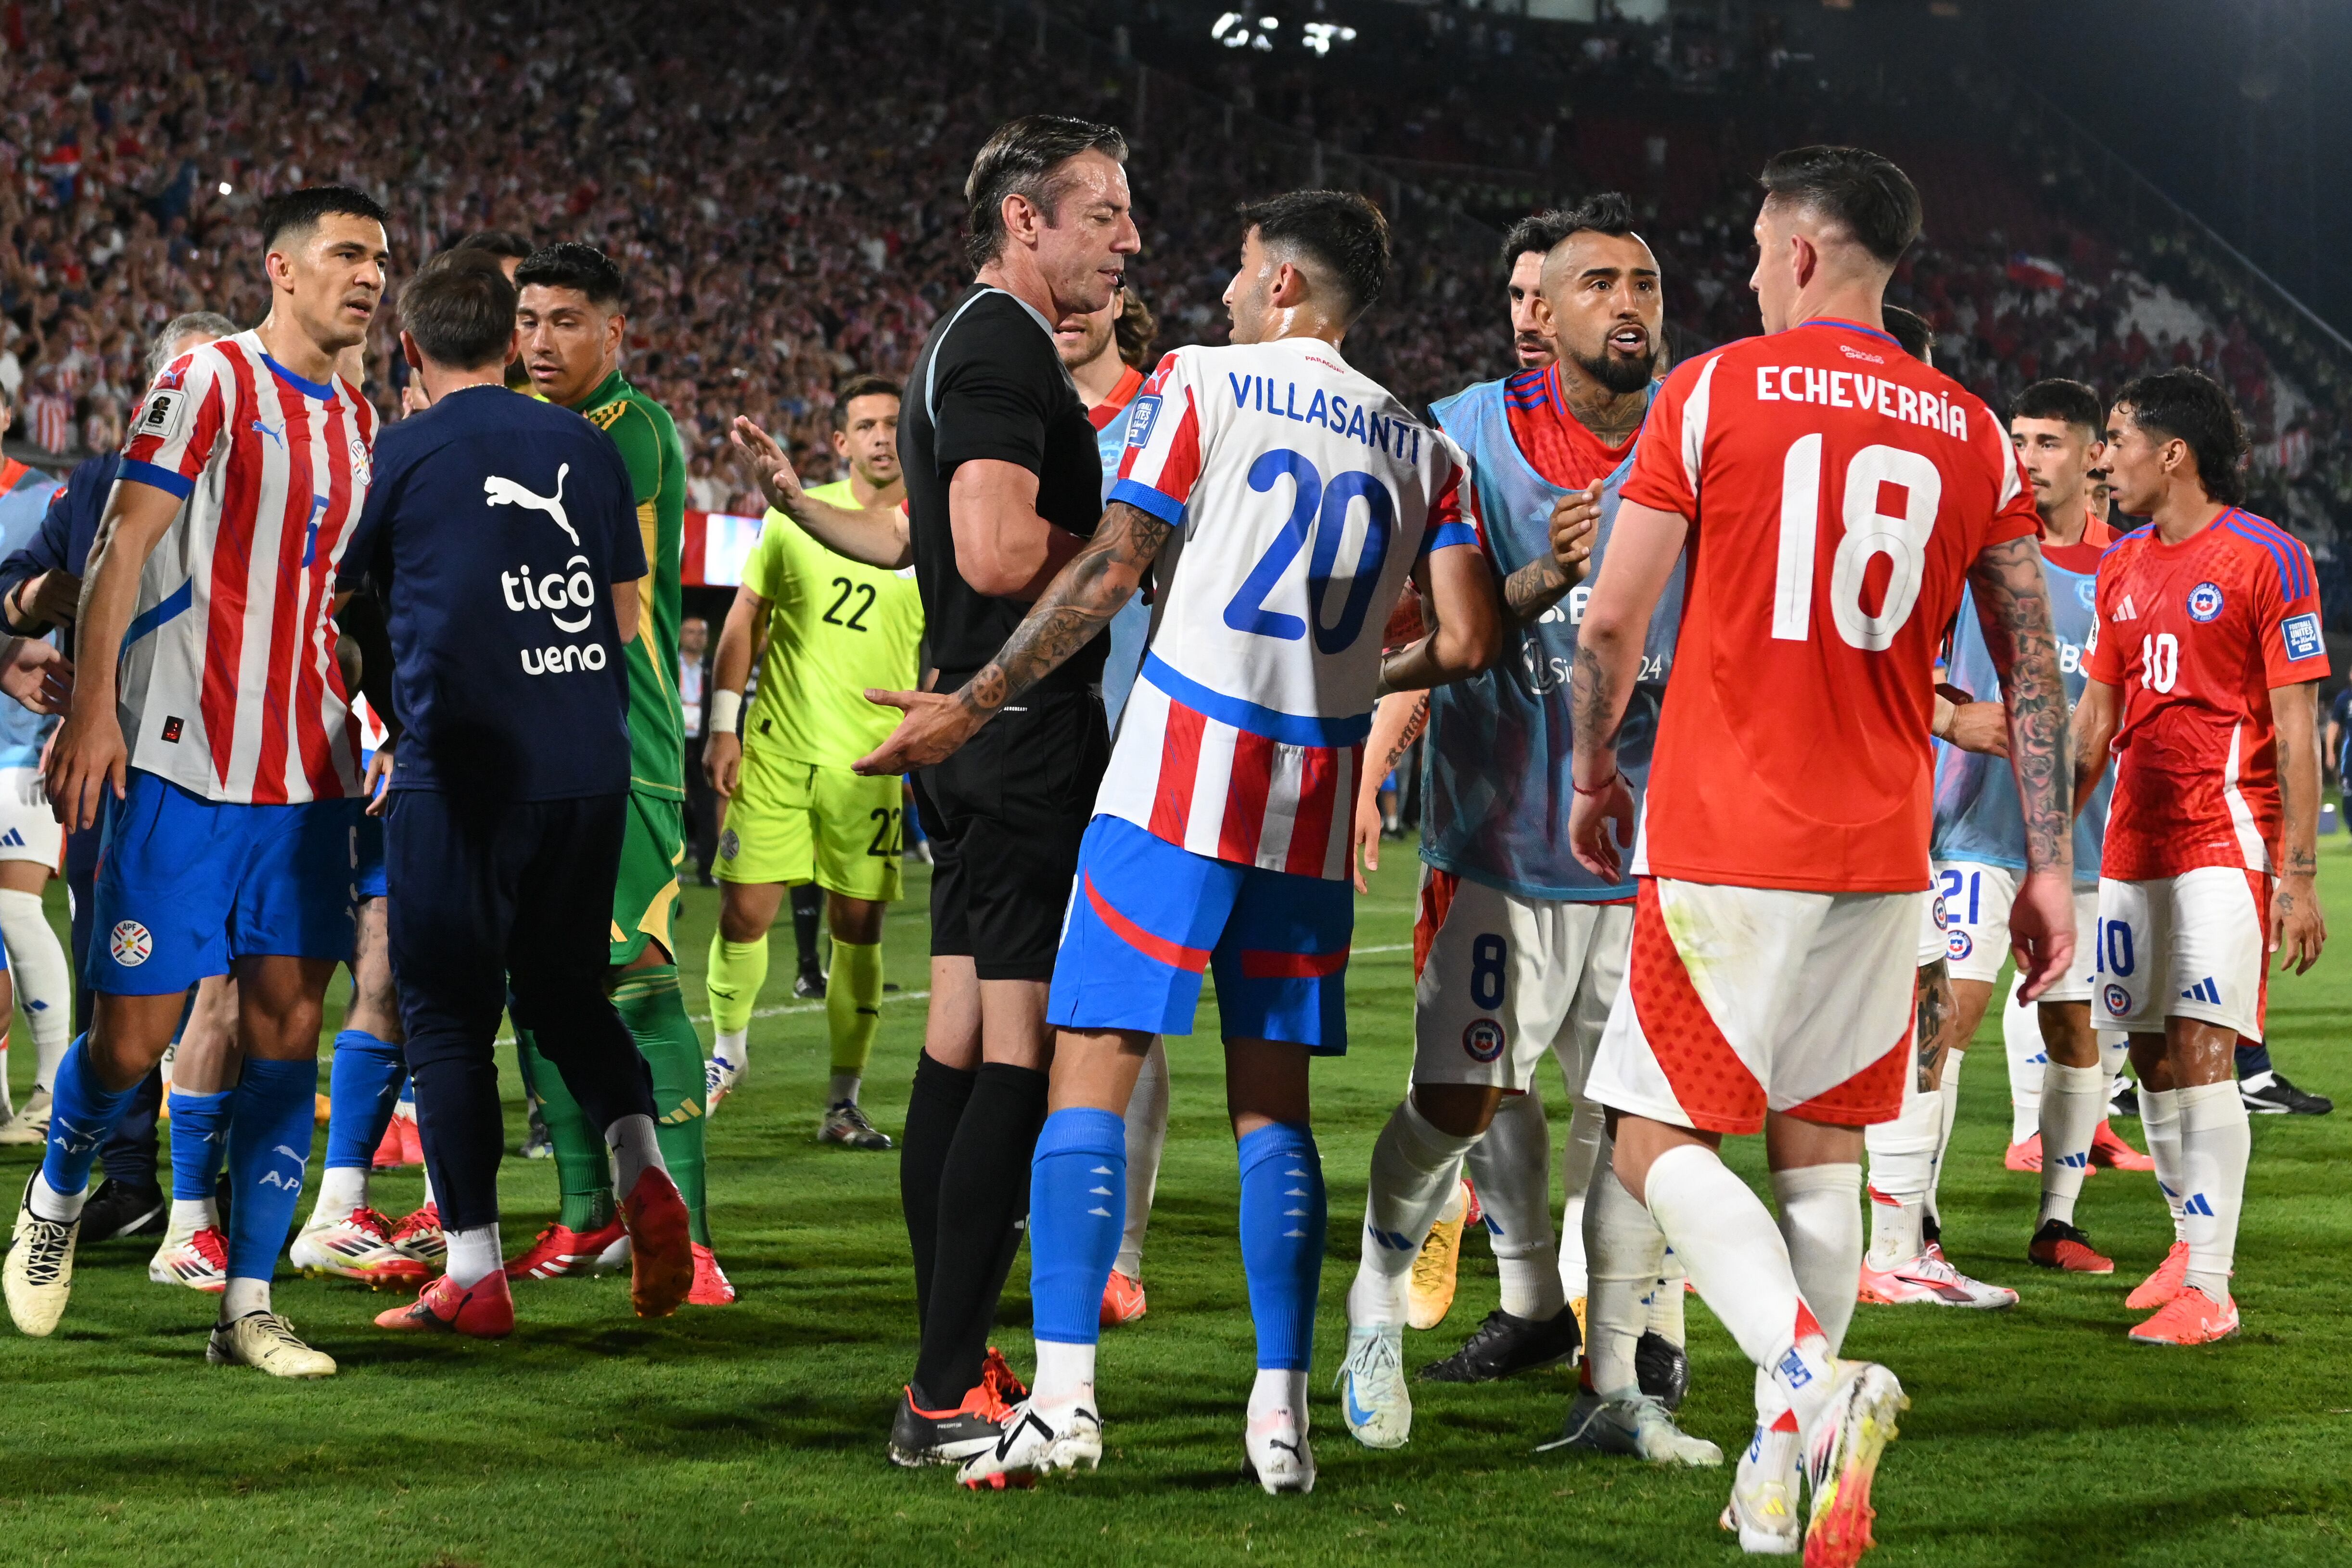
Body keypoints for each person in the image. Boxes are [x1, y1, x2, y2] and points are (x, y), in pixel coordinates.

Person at [864, 188, 1502, 1496]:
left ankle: (1062, 1404)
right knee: (1277, 1109)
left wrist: (974, 703)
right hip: (1312, 799)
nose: (1213, 288)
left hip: (1176, 783)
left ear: (1281, 284)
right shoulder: (1423, 444)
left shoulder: (1199, 381)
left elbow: (1108, 567)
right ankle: (1281, 1415)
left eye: (1235, 265)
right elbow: (1473, 641)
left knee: (1090, 1065)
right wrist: (1342, 684)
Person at [1565, 147, 2070, 1563]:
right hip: (1884, 845)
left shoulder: (1717, 386)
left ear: (1797, 253)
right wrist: (2046, 859)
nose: (1738, 275)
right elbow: (2030, 669)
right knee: (1818, 1147)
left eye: (1747, 248)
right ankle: (1779, 1480)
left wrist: (1594, 769)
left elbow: (1612, 624)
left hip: (1729, 829)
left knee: (1651, 1133)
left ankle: (1809, 1377)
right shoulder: (1973, 428)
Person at [729, 114, 1140, 1467]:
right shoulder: (1007, 344)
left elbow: (940, 543)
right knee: (1018, 1061)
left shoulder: (974, 340)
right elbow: (993, 540)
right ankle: (942, 1383)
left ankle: (945, 1362)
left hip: (977, 725)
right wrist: (1134, 541)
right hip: (1018, 733)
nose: (1128, 241)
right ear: (1027, 220)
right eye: (1103, 216)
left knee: (958, 1050)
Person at [1335, 194, 1714, 1470]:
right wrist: (1534, 584)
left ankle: (1620, 1387)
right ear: (1537, 317)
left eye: (1647, 284)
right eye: (1599, 282)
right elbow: (1393, 645)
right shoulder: (1454, 445)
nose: (1629, 305)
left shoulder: (1705, 443)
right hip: (1502, 850)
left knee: (1640, 1129)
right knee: (1454, 1102)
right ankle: (1374, 1309)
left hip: (1656, 863)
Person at [1, 187, 395, 1377]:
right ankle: (59, 1194)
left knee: (286, 1030)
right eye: (344, 254)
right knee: (136, 1036)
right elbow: (122, 540)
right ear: (281, 269)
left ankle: (251, 1301)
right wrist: (97, 709)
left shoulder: (362, 422)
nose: (368, 275)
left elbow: (351, 602)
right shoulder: (211, 379)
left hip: (308, 777)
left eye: (379, 258)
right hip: (180, 761)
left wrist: (378, 706)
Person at [337, 247, 691, 1337]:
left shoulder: (398, 451)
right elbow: (623, 613)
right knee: (566, 992)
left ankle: (475, 1271)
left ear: (409, 348)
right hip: (586, 763)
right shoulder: (583, 446)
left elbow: (341, 595)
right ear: (509, 345)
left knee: (445, 1015)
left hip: (464, 769)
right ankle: (644, 1168)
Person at [2073, 368, 2327, 1346]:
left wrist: (2294, 875)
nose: (2103, 457)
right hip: (2131, 842)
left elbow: (2296, 728)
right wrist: (2052, 854)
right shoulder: (2118, 565)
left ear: (2170, 453)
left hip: (2224, 834)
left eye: (2116, 438)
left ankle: (2211, 1286)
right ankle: (2185, 1243)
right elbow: (2096, 720)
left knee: (2205, 1047)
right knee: (2146, 1053)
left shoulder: (2269, 556)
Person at [1876, 378, 2145, 1300]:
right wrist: (1954, 717)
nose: (2026, 458)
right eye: (2017, 440)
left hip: (2084, 846)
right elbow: (1900, 659)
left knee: (2075, 1032)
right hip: (1975, 834)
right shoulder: (1973, 551)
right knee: (1943, 1021)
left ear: (2090, 459)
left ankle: (2056, 1219)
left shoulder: (2127, 568)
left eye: (2046, 444)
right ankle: (1912, 1223)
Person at [501, 241, 731, 1305]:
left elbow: (586, 591)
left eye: (563, 322)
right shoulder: (531, 422)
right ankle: (588, 1217)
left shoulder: (629, 434)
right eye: (528, 319)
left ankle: (696, 1240)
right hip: (535, 742)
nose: (539, 341)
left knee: (637, 982)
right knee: (546, 987)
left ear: (614, 332)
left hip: (620, 746)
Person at [0, 314, 235, 1248]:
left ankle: (212, 1197)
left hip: (251, 767)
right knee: (119, 979)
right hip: (124, 767)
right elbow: (16, 585)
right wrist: (39, 605)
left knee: (247, 982)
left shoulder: (273, 474)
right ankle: (130, 1177)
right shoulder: (97, 484)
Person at [703, 374, 919, 1149]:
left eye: (894, 423)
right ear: (841, 442)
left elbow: (940, 652)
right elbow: (744, 619)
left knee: (857, 929)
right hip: (781, 748)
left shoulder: (929, 529)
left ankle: (843, 1100)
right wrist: (724, 727)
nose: (882, 437)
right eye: (866, 425)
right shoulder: (794, 516)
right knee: (743, 909)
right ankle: (726, 1056)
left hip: (871, 760)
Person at [1052, 282, 1166, 1326]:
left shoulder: (1168, 405)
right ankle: (1054, 1226)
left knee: (1127, 1010)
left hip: (1137, 747)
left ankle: (1120, 1250)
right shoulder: (1023, 410)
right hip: (1035, 743)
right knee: (1029, 999)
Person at [0, 378, 61, 1145]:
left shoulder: (45, 500)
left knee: (17, 907)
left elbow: (73, 606)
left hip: (22, 736)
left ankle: (51, 1088)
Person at [678, 615, 716, 885]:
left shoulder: (714, 667)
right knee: (668, 804)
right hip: (675, 740)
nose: (696, 638)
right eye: (690, 632)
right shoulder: (667, 662)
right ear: (681, 635)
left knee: (706, 806)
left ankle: (707, 869)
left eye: (701, 633)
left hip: (702, 742)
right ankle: (668, 866)